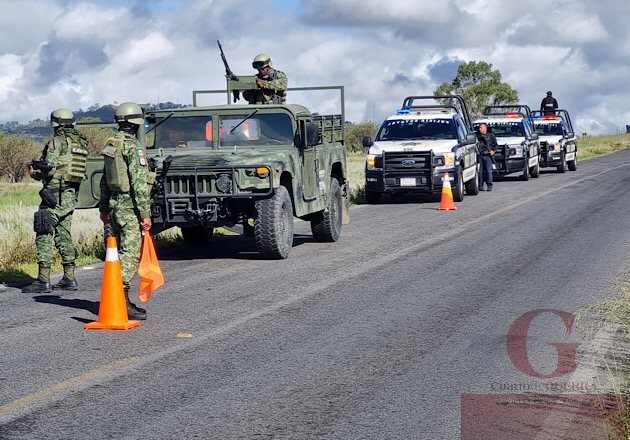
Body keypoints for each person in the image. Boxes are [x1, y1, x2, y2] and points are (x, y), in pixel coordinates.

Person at [22, 108, 89, 293]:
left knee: (44, 228)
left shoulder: (56, 142)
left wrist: (34, 173)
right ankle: (69, 277)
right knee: (63, 232)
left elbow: (49, 170)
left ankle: (43, 280)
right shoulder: (80, 143)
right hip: (70, 195)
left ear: (55, 124)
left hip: (53, 194)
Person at [98, 102, 152, 320]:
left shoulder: (112, 145)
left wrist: (103, 207)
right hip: (129, 208)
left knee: (115, 252)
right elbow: (139, 183)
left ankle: (116, 294)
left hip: (113, 206)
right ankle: (121, 297)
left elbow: (104, 179)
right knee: (130, 252)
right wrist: (145, 213)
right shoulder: (133, 147)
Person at [476, 123, 497, 191]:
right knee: (480, 172)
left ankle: (489, 185)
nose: (480, 129)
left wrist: (493, 151)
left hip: (488, 156)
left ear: (485, 128)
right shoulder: (477, 136)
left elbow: (496, 145)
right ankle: (480, 186)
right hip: (480, 156)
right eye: (479, 128)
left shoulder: (491, 136)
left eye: (481, 128)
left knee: (488, 171)